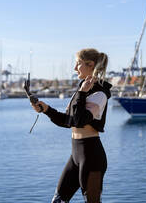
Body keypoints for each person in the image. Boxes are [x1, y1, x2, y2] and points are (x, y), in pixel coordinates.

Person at [31, 48, 112, 203]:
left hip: (92, 156)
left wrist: (82, 93)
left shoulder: (100, 94)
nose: (75, 68)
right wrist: (46, 109)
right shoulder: (82, 89)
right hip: (76, 155)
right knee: (58, 201)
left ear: (90, 65)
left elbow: (81, 120)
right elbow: (69, 121)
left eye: (78, 64)